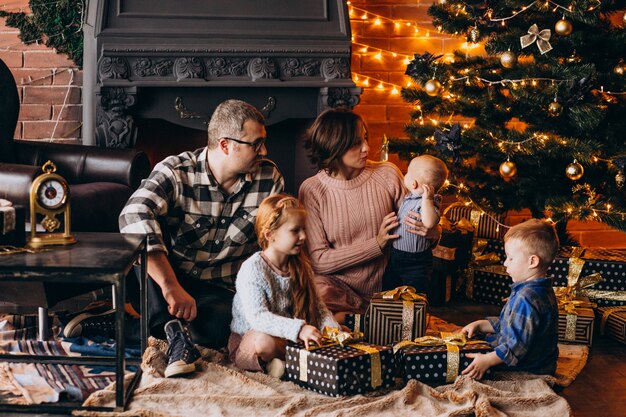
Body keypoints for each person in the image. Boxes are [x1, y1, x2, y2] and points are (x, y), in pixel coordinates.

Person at [118, 99, 284, 377]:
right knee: (141, 253)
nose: (264, 151)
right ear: (225, 145)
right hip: (164, 283)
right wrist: (171, 286)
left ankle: (129, 327)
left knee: (221, 327)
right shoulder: (176, 170)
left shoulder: (269, 179)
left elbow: (273, 245)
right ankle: (177, 336)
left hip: (218, 290)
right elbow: (133, 214)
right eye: (256, 144)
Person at [298, 108, 439, 322]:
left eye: (365, 138)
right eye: (356, 143)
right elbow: (319, 261)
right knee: (316, 296)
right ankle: (365, 323)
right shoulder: (312, 190)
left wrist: (432, 232)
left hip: (388, 285)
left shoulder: (387, 174)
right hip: (338, 291)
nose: (366, 147)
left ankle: (371, 321)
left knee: (409, 312)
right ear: (334, 146)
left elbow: (423, 224)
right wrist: (377, 244)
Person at [229, 194, 339, 378]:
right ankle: (294, 362)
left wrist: (331, 330)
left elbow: (320, 309)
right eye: (295, 230)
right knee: (266, 343)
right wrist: (299, 329)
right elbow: (258, 317)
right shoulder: (253, 268)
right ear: (270, 234)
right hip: (251, 338)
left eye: (304, 229)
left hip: (288, 336)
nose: (303, 236)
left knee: (337, 329)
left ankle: (287, 364)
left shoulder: (301, 266)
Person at [461, 219, 560, 379]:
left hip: (529, 368)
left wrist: (486, 360)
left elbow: (517, 344)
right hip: (539, 361)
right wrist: (480, 324)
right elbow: (512, 324)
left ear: (532, 261)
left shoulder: (527, 297)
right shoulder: (538, 288)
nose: (505, 263)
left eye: (510, 258)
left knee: (466, 364)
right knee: (475, 343)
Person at [383, 155, 448, 294]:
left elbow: (430, 222)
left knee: (414, 294)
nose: (405, 175)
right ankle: (389, 312)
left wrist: (427, 198)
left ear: (414, 183)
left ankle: (412, 315)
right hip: (396, 255)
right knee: (389, 288)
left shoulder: (430, 201)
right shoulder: (409, 197)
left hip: (417, 262)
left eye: (407, 173)